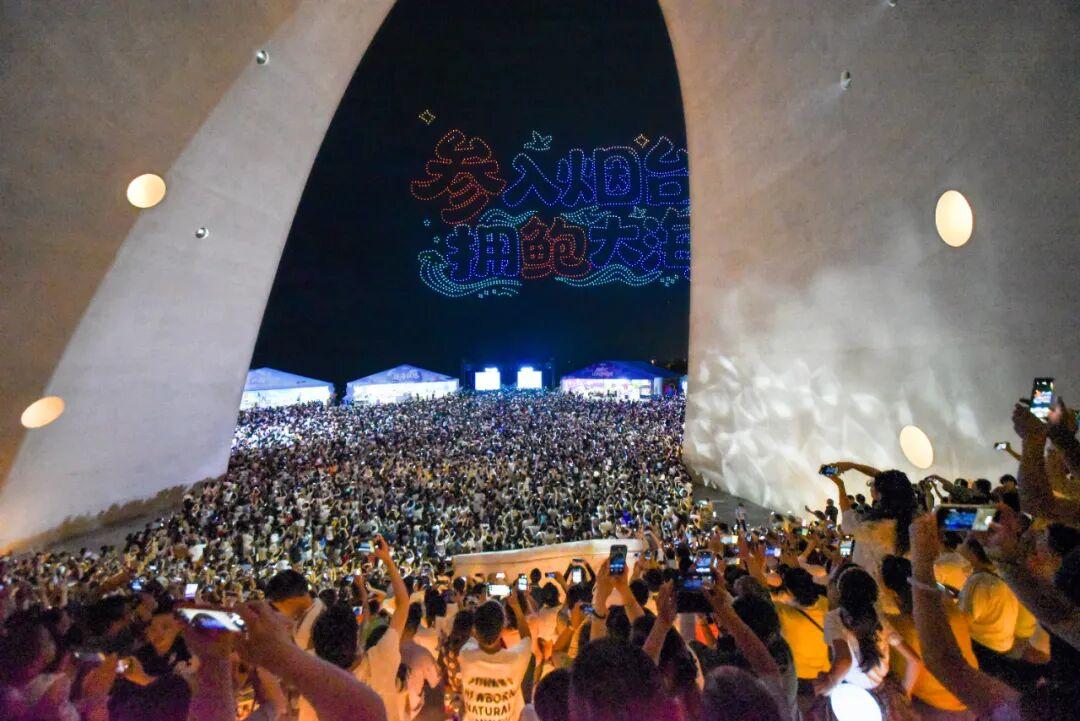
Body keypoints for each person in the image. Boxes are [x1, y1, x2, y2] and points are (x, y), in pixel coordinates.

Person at [814, 566, 921, 720]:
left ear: (840, 594)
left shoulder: (834, 618)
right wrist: (904, 696)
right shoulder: (879, 620)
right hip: (882, 692)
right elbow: (915, 661)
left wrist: (829, 683)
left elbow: (844, 660)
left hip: (849, 694)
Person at [881, 555, 977, 720]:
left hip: (938, 708)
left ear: (892, 595)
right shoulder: (951, 610)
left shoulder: (898, 628)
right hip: (973, 696)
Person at [823, 463, 918, 612]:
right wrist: (852, 466)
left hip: (873, 602)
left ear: (880, 494)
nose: (871, 485)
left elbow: (847, 518)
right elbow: (894, 482)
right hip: (906, 599)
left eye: (873, 484)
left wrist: (840, 484)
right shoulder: (915, 523)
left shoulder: (869, 527)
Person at [458, 592, 533, 721]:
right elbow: (527, 639)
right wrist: (516, 607)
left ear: (475, 628)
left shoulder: (465, 654)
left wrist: (481, 612)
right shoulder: (515, 660)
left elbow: (473, 636)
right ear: (502, 628)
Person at [266, 569, 323, 651]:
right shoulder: (323, 604)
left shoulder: (302, 637)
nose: (280, 613)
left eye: (277, 608)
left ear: (289, 601)